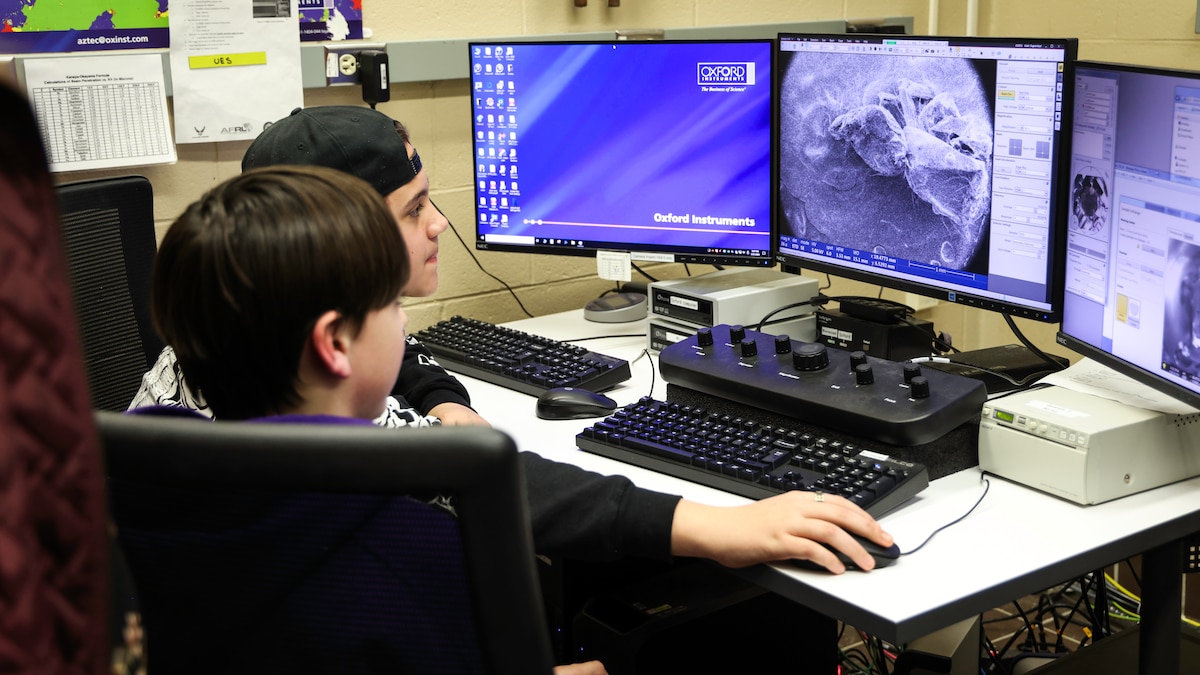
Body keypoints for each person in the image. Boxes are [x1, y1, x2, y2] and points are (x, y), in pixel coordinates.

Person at [145, 165, 894, 673]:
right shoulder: (418, 552)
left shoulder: (144, 499)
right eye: (394, 307)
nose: (405, 331)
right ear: (336, 343)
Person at [131, 105, 486, 427]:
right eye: (414, 209)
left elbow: (395, 349)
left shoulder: (236, 335)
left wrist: (442, 399)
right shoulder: (330, 410)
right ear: (344, 239)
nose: (439, 222)